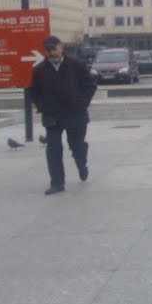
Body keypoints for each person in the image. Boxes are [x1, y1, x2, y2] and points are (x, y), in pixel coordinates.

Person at [29, 36, 97, 195]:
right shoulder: (39, 70)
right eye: (48, 50)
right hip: (52, 115)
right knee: (53, 149)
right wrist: (42, 107)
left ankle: (81, 163)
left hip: (75, 114)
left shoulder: (76, 65)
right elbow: (34, 92)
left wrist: (82, 103)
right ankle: (57, 183)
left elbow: (90, 84)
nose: (52, 53)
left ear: (62, 48)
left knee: (77, 146)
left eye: (54, 49)